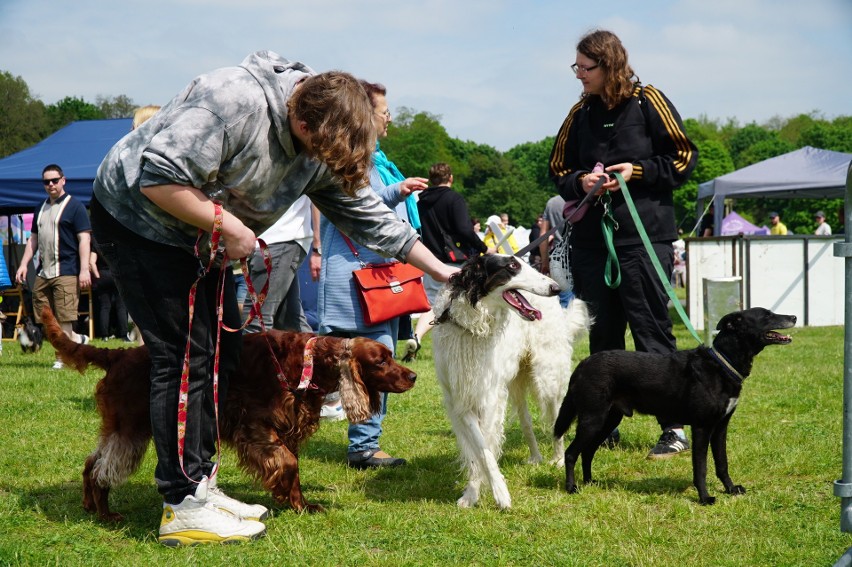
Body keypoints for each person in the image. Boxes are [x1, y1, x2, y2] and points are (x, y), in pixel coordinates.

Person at [89, 52, 455, 546]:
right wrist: (228, 224)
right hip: (138, 222)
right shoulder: (233, 100)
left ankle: (203, 485)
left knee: (220, 357)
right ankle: (183, 504)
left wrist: (442, 271)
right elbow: (159, 176)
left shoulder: (320, 139)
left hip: (202, 239)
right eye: (317, 152)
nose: (319, 166)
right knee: (182, 359)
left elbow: (369, 217)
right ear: (301, 119)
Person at [548, 30, 698, 459]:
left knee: (652, 331)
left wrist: (639, 171)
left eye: (585, 68)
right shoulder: (579, 112)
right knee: (605, 337)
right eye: (575, 67)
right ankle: (603, 424)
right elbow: (558, 167)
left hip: (645, 239)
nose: (578, 75)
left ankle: (673, 429)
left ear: (609, 65)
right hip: (593, 243)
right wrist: (581, 181)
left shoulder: (649, 100)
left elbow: (684, 158)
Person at [317, 80, 428, 469]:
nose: (389, 117)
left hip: (374, 276)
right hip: (356, 281)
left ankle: (362, 443)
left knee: (370, 359)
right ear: (364, 116)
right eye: (383, 111)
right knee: (374, 360)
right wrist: (398, 191)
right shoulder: (350, 161)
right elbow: (357, 206)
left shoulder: (373, 159)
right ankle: (362, 446)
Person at [407, 163, 495, 360]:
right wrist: (484, 248)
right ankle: (469, 346)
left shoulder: (420, 202)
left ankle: (417, 336)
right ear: (451, 178)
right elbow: (465, 230)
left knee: (433, 304)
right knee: (466, 302)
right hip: (455, 261)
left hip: (429, 259)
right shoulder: (454, 198)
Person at [15, 164, 92, 369]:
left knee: (65, 317)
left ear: (63, 180)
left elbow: (84, 239)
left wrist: (84, 269)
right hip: (43, 271)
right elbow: (33, 240)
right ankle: (77, 339)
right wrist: (23, 265)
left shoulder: (75, 207)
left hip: (66, 270)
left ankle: (62, 358)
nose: (50, 185)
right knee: (45, 319)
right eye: (46, 182)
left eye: (54, 180)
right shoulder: (40, 208)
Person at [242, 195, 319, 332]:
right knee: (289, 322)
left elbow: (319, 193)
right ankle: (320, 353)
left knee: (254, 322)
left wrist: (317, 247)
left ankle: (325, 352)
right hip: (267, 240)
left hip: (279, 239)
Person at [90, 238, 130, 341]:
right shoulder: (118, 242)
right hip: (117, 274)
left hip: (103, 276)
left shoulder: (97, 242)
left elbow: (92, 262)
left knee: (105, 307)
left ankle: (104, 336)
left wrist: (97, 275)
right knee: (121, 307)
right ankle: (124, 335)